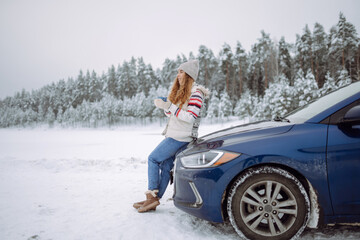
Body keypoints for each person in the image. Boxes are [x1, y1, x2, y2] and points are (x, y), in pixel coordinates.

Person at [133, 59, 210, 213]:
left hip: (180, 137)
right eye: (178, 72)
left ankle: (151, 196)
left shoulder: (196, 93)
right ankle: (154, 199)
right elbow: (174, 114)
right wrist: (165, 106)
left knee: (153, 159)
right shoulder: (185, 93)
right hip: (176, 135)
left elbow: (190, 117)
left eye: (181, 72)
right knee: (166, 165)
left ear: (189, 75)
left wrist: (171, 107)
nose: (178, 75)